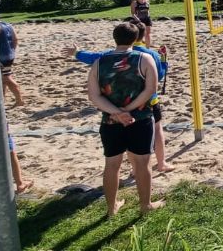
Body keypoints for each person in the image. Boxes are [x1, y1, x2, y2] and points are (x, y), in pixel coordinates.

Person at [66, 17, 174, 173]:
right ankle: (161, 163)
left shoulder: (110, 55)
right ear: (141, 36)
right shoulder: (151, 55)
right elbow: (160, 75)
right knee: (156, 130)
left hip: (117, 104)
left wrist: (77, 53)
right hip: (146, 102)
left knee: (127, 137)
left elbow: (93, 58)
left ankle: (135, 169)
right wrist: (164, 60)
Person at [86, 21, 163, 216]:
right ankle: (145, 205)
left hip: (111, 120)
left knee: (112, 164)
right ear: (136, 38)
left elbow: (94, 96)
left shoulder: (99, 63)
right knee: (142, 163)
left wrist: (117, 112)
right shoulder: (144, 58)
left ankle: (111, 208)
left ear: (115, 38)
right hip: (140, 118)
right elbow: (150, 90)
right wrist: (128, 110)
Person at [0, 16, 24, 106]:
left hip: (1, 57)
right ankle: (1, 100)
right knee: (2, 79)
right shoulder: (7, 24)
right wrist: (11, 51)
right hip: (9, 55)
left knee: (6, 78)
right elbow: (15, 39)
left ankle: (19, 100)